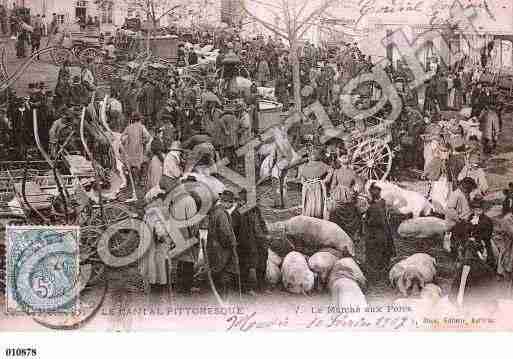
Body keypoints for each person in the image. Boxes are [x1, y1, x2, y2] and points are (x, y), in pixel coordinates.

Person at [169, 176, 200, 295]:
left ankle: (179, 285)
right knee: (188, 261)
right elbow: (192, 221)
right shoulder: (189, 200)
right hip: (186, 234)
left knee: (180, 260)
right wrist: (194, 235)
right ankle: (186, 288)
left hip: (176, 232)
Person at [206, 191, 240, 299]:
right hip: (222, 250)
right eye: (231, 203)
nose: (231, 205)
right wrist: (231, 244)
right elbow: (225, 233)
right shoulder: (222, 214)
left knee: (217, 271)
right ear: (227, 202)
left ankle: (219, 297)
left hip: (213, 248)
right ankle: (224, 299)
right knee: (224, 273)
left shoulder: (214, 212)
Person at [328, 153, 363, 240]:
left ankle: (353, 233)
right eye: (343, 157)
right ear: (339, 159)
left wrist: (355, 191)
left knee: (352, 212)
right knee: (334, 210)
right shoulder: (337, 171)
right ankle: (337, 232)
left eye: (347, 157)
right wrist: (332, 194)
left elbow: (360, 184)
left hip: (349, 195)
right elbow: (333, 185)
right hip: (338, 194)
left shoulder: (353, 172)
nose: (345, 159)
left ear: (349, 159)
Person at [364, 183, 394, 283]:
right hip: (385, 232)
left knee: (375, 253)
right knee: (383, 252)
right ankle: (383, 269)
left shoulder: (373, 208)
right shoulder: (382, 204)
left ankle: (376, 274)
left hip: (375, 234)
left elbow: (372, 221)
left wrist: (365, 220)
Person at [446, 177, 477, 258]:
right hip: (457, 223)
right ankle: (455, 255)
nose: (470, 190)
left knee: (465, 239)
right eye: (469, 188)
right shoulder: (456, 194)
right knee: (457, 240)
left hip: (465, 221)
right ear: (464, 186)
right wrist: (458, 219)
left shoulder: (465, 194)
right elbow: (450, 209)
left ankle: (463, 253)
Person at [299, 149, 331, 220]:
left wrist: (325, 181)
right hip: (309, 187)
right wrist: (305, 183)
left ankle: (317, 218)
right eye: (311, 154)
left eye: (314, 153)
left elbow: (330, 171)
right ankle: (309, 218)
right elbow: (301, 179)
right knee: (309, 203)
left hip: (316, 186)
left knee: (318, 203)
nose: (312, 155)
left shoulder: (322, 165)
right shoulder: (303, 166)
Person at [121, 112, 152, 185]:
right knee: (142, 163)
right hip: (138, 149)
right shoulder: (141, 127)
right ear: (139, 119)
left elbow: (122, 138)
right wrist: (143, 142)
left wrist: (126, 142)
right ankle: (141, 180)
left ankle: (134, 180)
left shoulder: (128, 127)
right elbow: (148, 137)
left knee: (132, 165)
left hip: (130, 150)